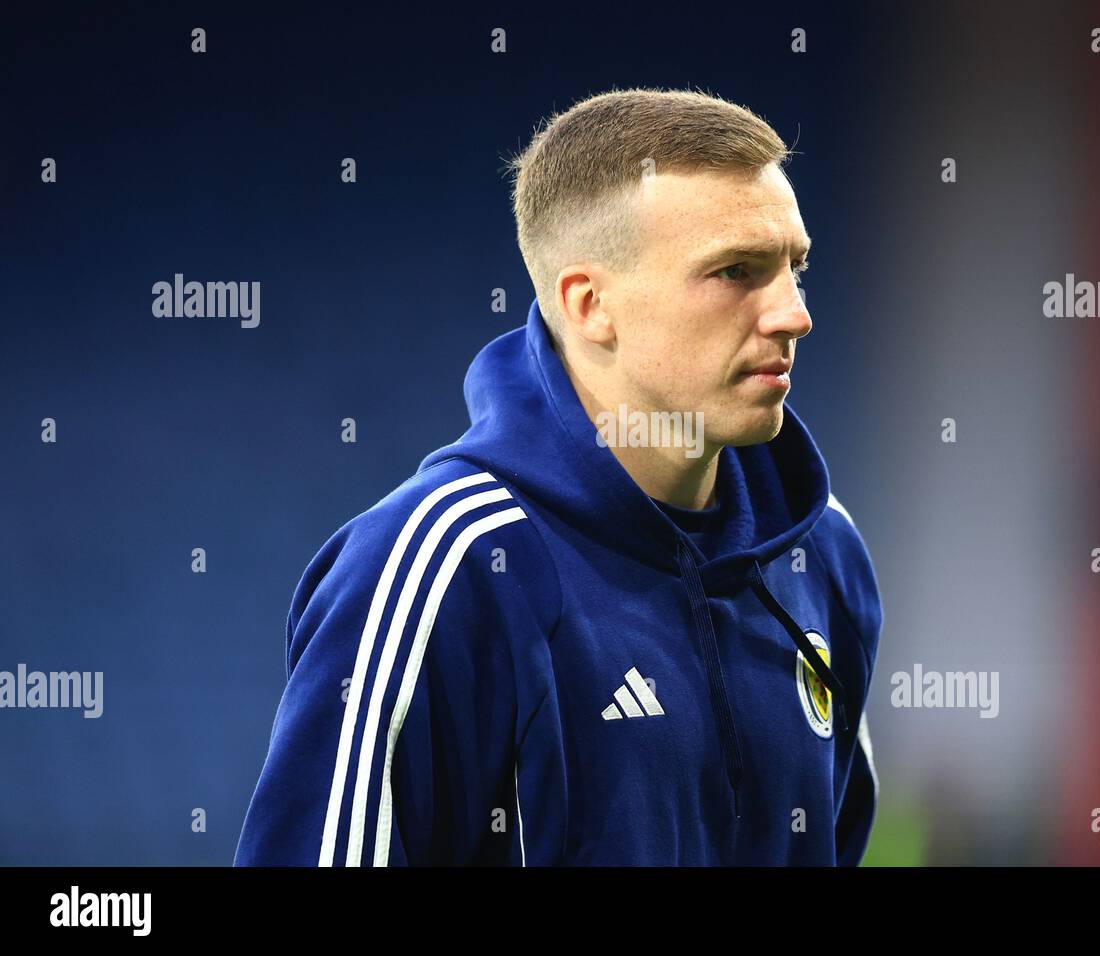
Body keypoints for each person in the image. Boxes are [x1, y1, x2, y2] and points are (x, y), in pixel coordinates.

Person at [234, 87, 884, 866]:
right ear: (589, 304)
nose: (792, 314)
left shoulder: (820, 550)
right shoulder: (439, 567)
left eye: (794, 269)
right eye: (736, 271)